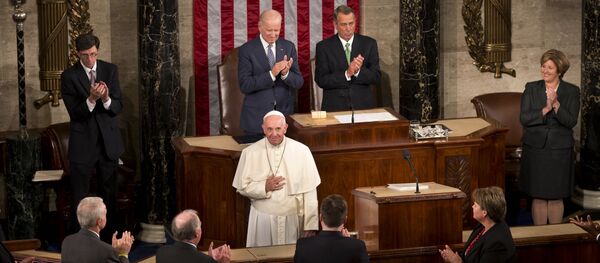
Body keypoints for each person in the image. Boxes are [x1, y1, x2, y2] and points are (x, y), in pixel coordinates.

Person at [61, 33, 125, 237]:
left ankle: (109, 242)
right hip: (83, 144)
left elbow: (117, 107)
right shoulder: (69, 76)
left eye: (93, 54)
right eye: (85, 55)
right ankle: (79, 242)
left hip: (108, 144)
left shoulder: (110, 69)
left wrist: (105, 98)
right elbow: (75, 114)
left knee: (110, 195)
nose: (90, 60)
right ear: (77, 54)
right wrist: (91, 98)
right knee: (80, 198)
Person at [232, 110, 321, 247]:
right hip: (263, 219)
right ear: (263, 128)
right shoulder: (250, 152)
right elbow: (242, 187)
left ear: (285, 128)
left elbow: (310, 191)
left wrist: (310, 224)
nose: (274, 134)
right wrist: (264, 186)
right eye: (269, 129)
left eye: (278, 129)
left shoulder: (302, 151)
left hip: (293, 219)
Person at [518, 49, 580, 225]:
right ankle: (540, 236)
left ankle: (554, 234)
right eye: (543, 66)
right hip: (536, 148)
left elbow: (570, 122)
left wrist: (556, 105)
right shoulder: (531, 88)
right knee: (538, 196)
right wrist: (545, 109)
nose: (544, 70)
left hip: (559, 151)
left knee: (555, 197)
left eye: (550, 67)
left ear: (559, 70)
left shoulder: (572, 91)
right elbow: (524, 118)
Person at [238, 9, 304, 135]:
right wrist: (272, 74)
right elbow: (245, 85)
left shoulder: (288, 47)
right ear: (259, 27)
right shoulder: (247, 50)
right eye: (269, 30)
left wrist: (285, 74)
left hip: (284, 118)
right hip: (256, 120)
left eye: (277, 30)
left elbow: (299, 82)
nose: (273, 34)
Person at [314, 5, 381, 112]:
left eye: (351, 23)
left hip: (363, 107)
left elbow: (376, 77)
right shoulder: (323, 47)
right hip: (335, 107)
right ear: (335, 24)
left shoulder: (369, 44)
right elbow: (321, 80)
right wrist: (347, 74)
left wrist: (358, 71)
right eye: (344, 24)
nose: (348, 28)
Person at [439, 187, 515, 263]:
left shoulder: (497, 243)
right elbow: (469, 254)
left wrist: (458, 262)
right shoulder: (482, 225)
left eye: (475, 205)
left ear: (484, 212)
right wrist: (452, 258)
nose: (472, 206)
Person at [294, 194, 369, 263]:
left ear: (320, 218)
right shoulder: (357, 246)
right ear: (345, 220)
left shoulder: (302, 245)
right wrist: (350, 242)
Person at [61, 197, 134, 263]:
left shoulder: (67, 241)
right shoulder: (106, 251)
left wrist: (113, 250)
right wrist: (123, 254)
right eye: (105, 214)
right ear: (99, 222)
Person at [156, 209, 230, 263]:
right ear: (197, 233)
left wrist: (209, 259)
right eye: (200, 225)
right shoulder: (205, 261)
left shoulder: (161, 252)